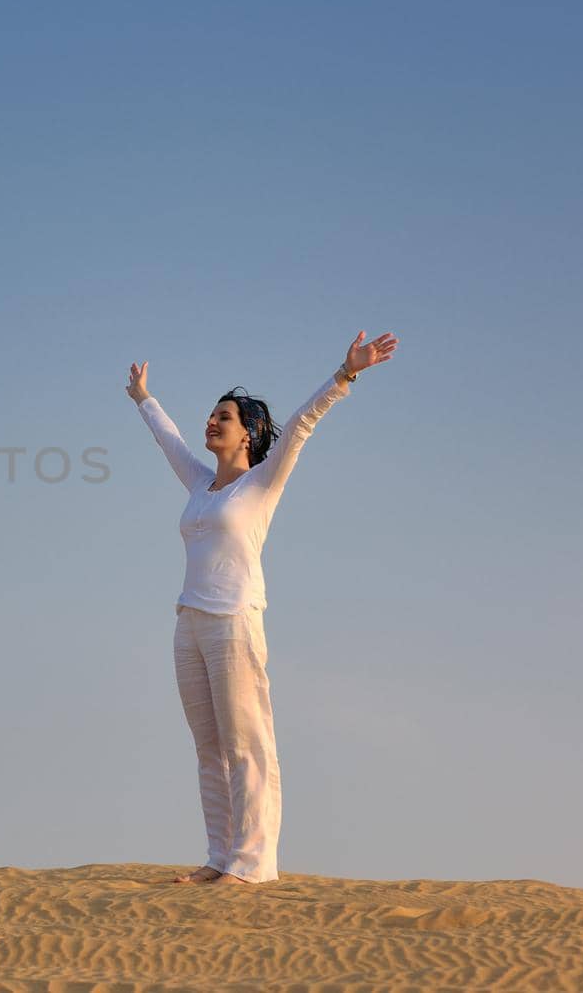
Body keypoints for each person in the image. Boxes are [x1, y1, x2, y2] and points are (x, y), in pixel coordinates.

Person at [125, 330, 398, 885]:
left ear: (247, 434)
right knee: (209, 748)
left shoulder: (261, 484)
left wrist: (345, 375)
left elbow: (301, 423)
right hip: (190, 623)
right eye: (211, 415)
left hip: (235, 622)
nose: (211, 422)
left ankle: (251, 865)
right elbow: (170, 441)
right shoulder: (200, 485)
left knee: (246, 744)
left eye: (222, 417)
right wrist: (143, 400)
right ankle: (219, 857)